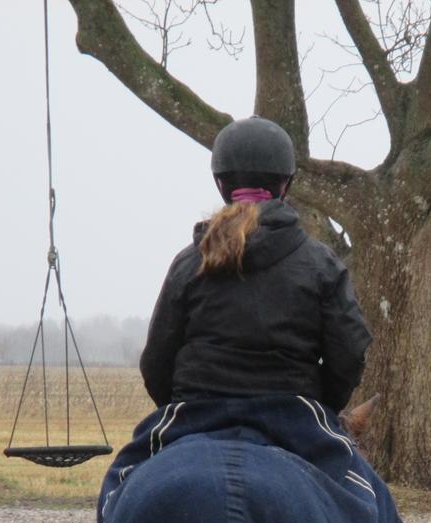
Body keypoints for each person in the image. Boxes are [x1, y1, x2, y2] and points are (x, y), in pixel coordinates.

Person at [139, 116, 372, 415]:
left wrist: (182, 411)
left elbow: (156, 362)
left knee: (128, 465)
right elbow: (350, 353)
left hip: (195, 414)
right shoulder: (322, 265)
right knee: (355, 465)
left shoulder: (189, 263)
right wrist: (318, 407)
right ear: (285, 183)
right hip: (293, 417)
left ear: (221, 183)